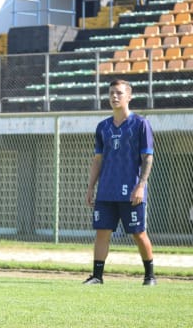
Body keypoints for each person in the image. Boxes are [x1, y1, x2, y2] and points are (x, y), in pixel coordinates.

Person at [83, 79, 156, 286]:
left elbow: (148, 158)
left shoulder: (141, 124)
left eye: (119, 93)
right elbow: (98, 160)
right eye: (111, 93)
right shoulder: (102, 127)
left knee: (138, 233)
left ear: (129, 97)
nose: (114, 97)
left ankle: (149, 275)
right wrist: (90, 187)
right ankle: (97, 276)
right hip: (106, 191)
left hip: (132, 190)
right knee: (102, 232)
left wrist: (141, 185)